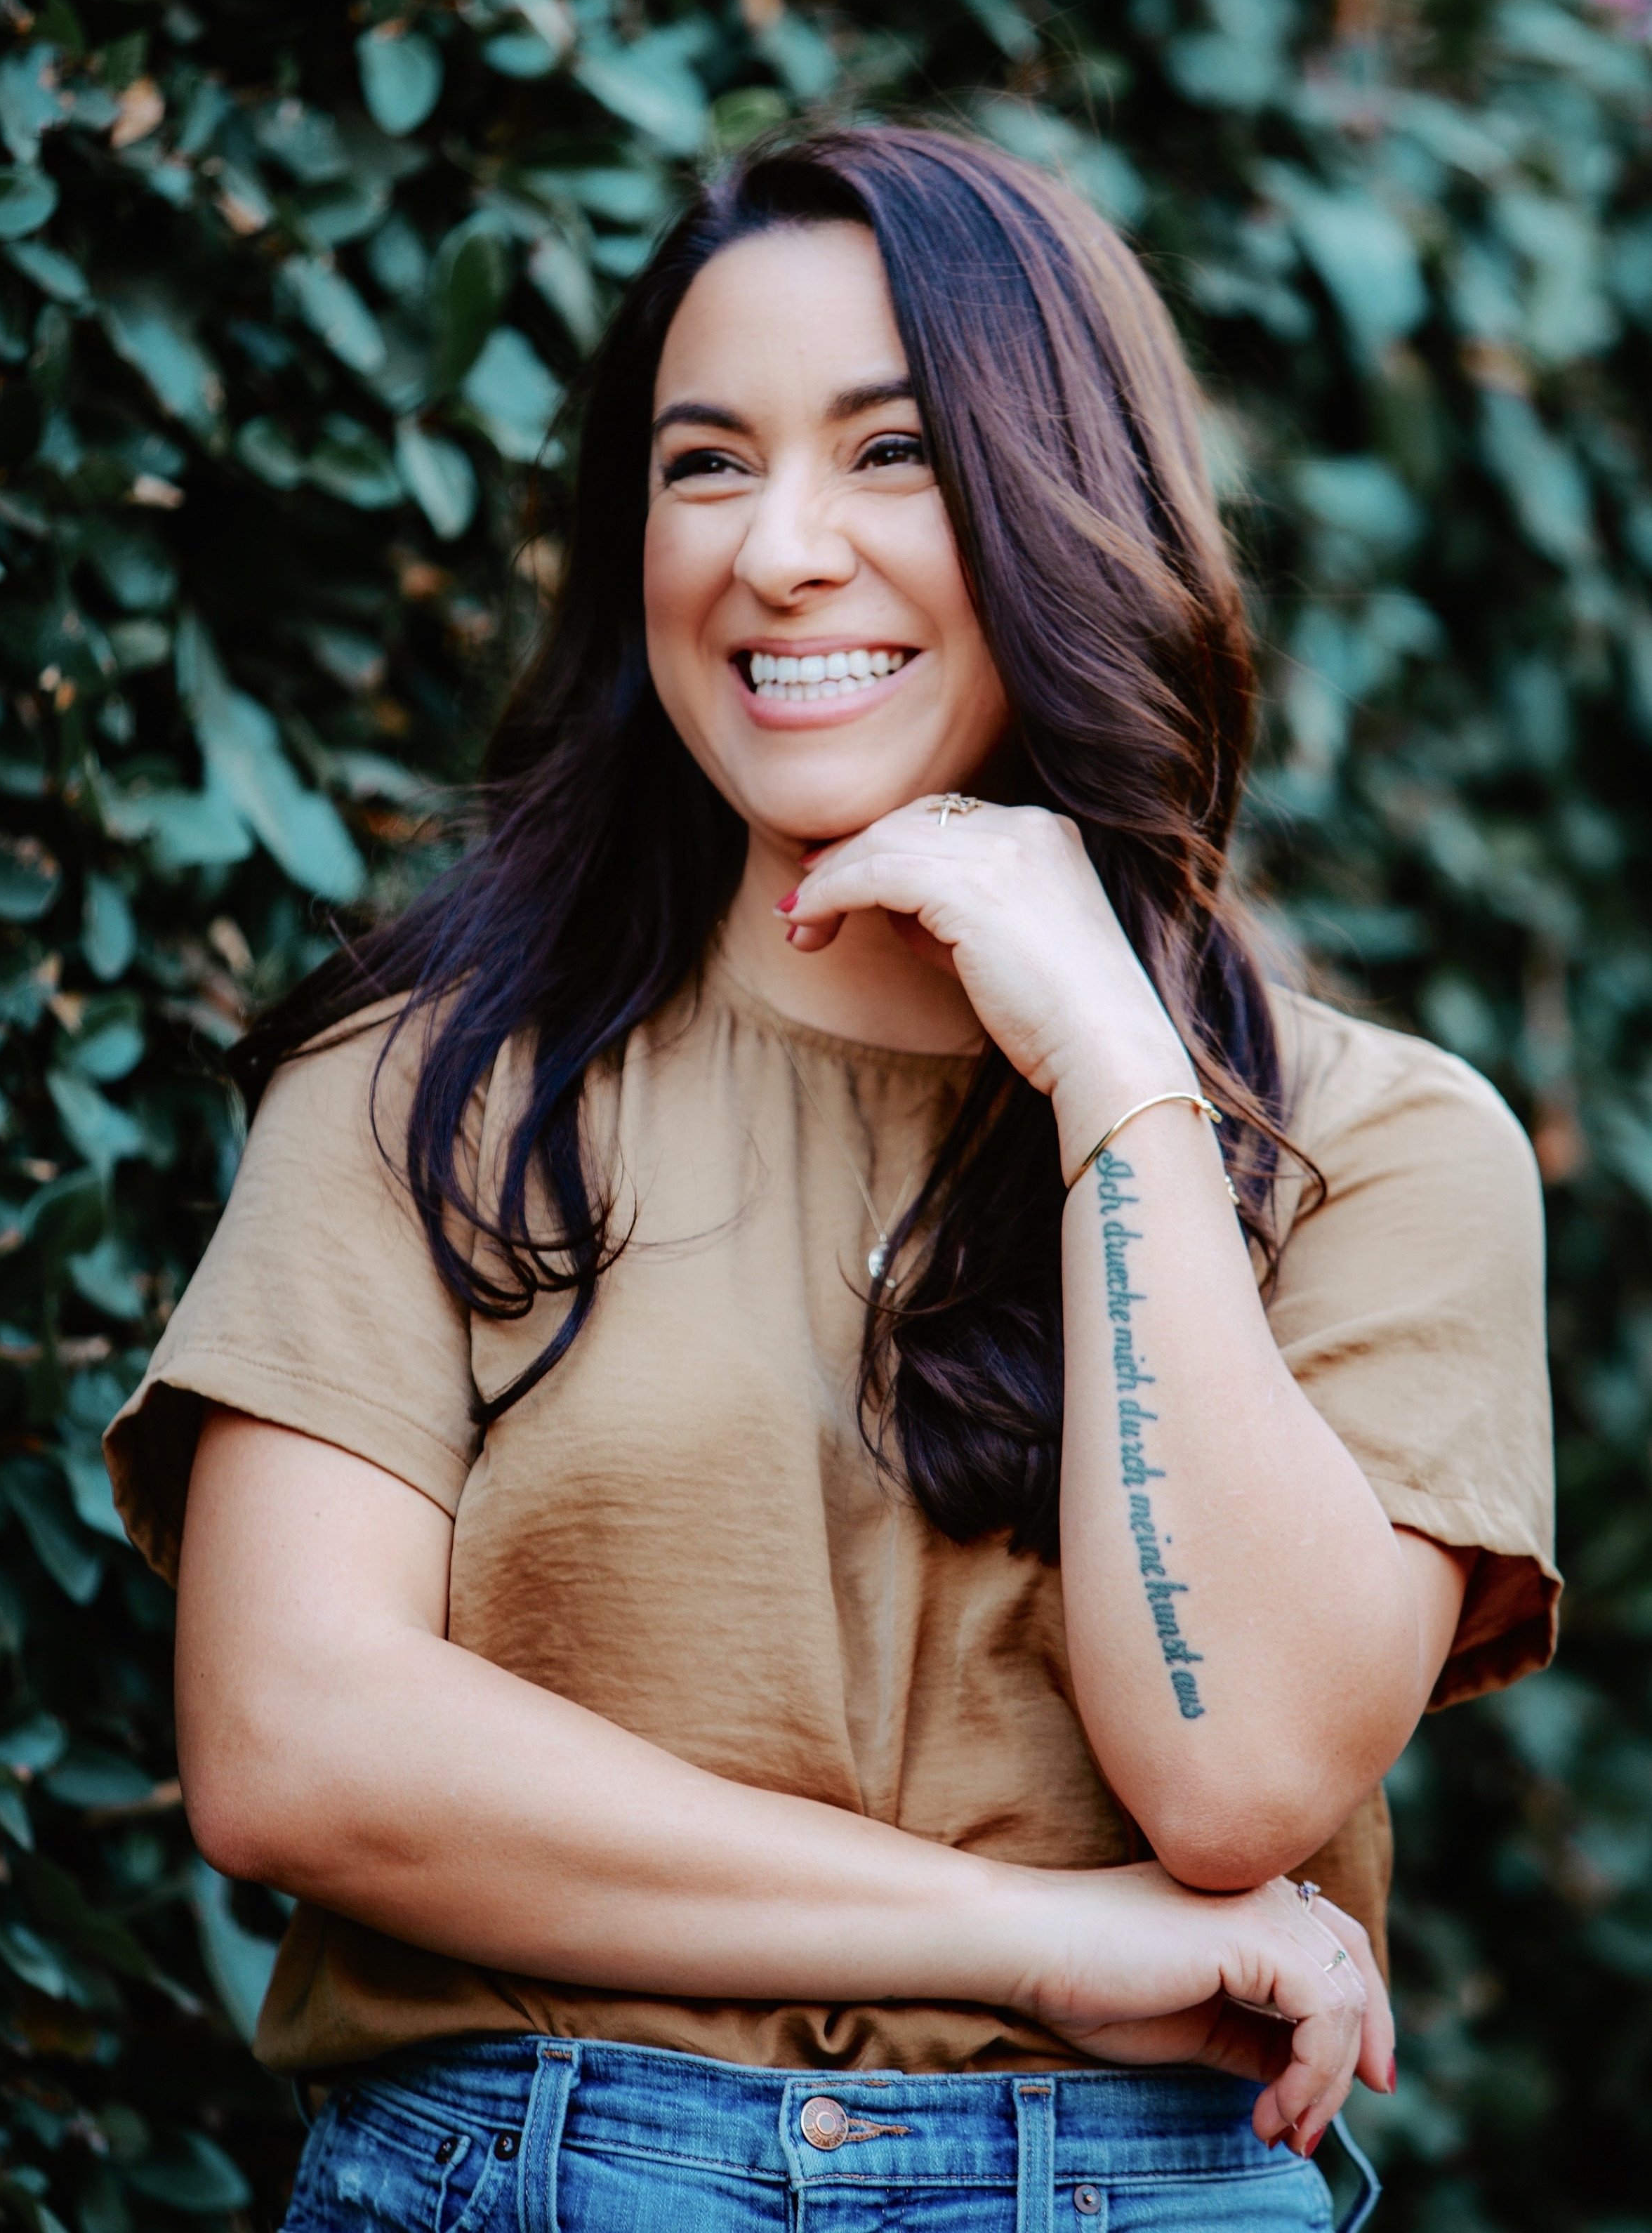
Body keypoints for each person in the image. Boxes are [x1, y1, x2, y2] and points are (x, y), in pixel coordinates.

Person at [106, 126, 1557, 2233]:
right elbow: (294, 1746)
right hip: (530, 2180)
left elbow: (1232, 1777)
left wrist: (1112, 1075)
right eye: (702, 466)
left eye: (892, 455)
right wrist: (1039, 1935)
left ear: (1075, 510)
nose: (776, 551)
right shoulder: (424, 1091)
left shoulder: (1378, 1153)